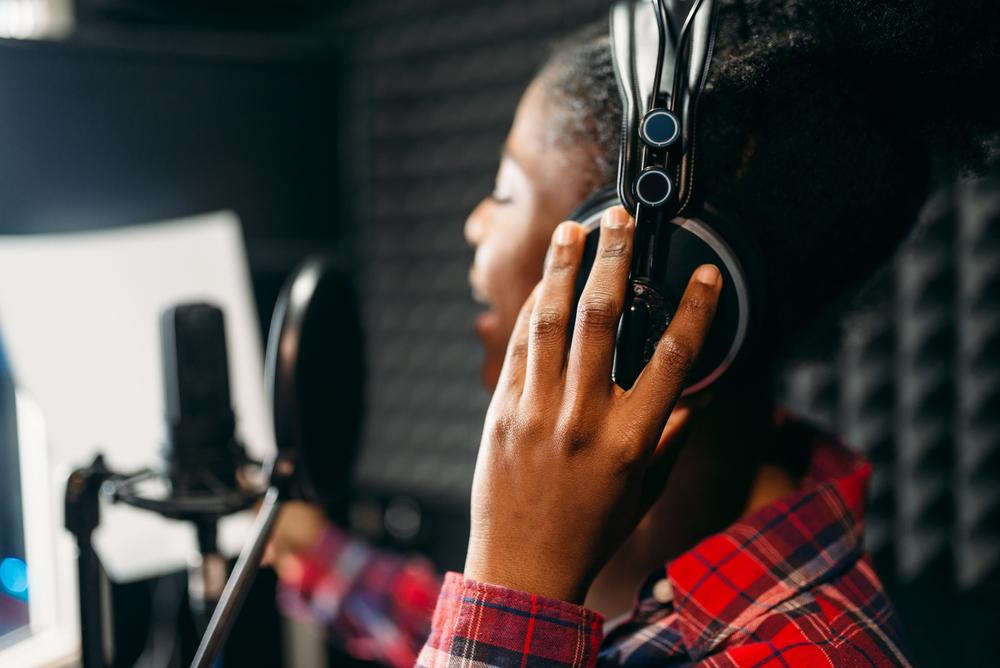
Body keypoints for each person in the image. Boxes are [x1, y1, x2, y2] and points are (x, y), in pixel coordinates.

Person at [266, 0, 999, 663]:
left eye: (504, 191)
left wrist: (512, 588)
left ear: (663, 277)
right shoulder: (640, 566)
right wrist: (313, 551)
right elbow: (452, 626)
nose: (475, 223)